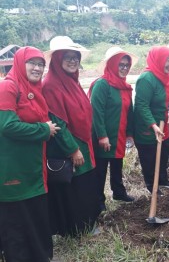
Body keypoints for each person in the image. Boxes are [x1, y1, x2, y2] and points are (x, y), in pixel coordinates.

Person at [0, 46, 59, 262]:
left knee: (35, 215)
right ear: (19, 63)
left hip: (32, 166)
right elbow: (7, 126)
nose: (37, 68)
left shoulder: (34, 89)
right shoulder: (8, 87)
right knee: (17, 219)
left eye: (41, 64)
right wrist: (44, 130)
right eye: (32, 63)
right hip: (14, 169)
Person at [43, 36, 100, 236]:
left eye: (75, 57)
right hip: (68, 146)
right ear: (57, 59)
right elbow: (57, 123)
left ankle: (87, 223)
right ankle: (76, 229)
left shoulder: (72, 81)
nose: (73, 60)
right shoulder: (51, 85)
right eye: (67, 57)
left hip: (83, 142)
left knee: (84, 185)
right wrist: (73, 149)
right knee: (73, 187)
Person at [88, 47, 138, 212]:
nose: (124, 68)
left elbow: (129, 112)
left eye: (126, 65)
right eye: (120, 64)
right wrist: (102, 136)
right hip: (103, 137)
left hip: (119, 135)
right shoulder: (102, 84)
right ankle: (98, 200)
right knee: (100, 170)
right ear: (112, 64)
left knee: (117, 165)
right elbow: (96, 111)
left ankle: (119, 192)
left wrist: (129, 134)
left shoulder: (124, 87)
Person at [134, 46, 169, 195]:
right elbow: (141, 105)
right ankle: (151, 185)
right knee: (149, 157)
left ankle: (163, 179)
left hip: (163, 124)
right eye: (168, 60)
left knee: (163, 153)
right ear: (159, 59)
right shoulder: (146, 79)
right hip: (147, 127)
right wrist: (152, 125)